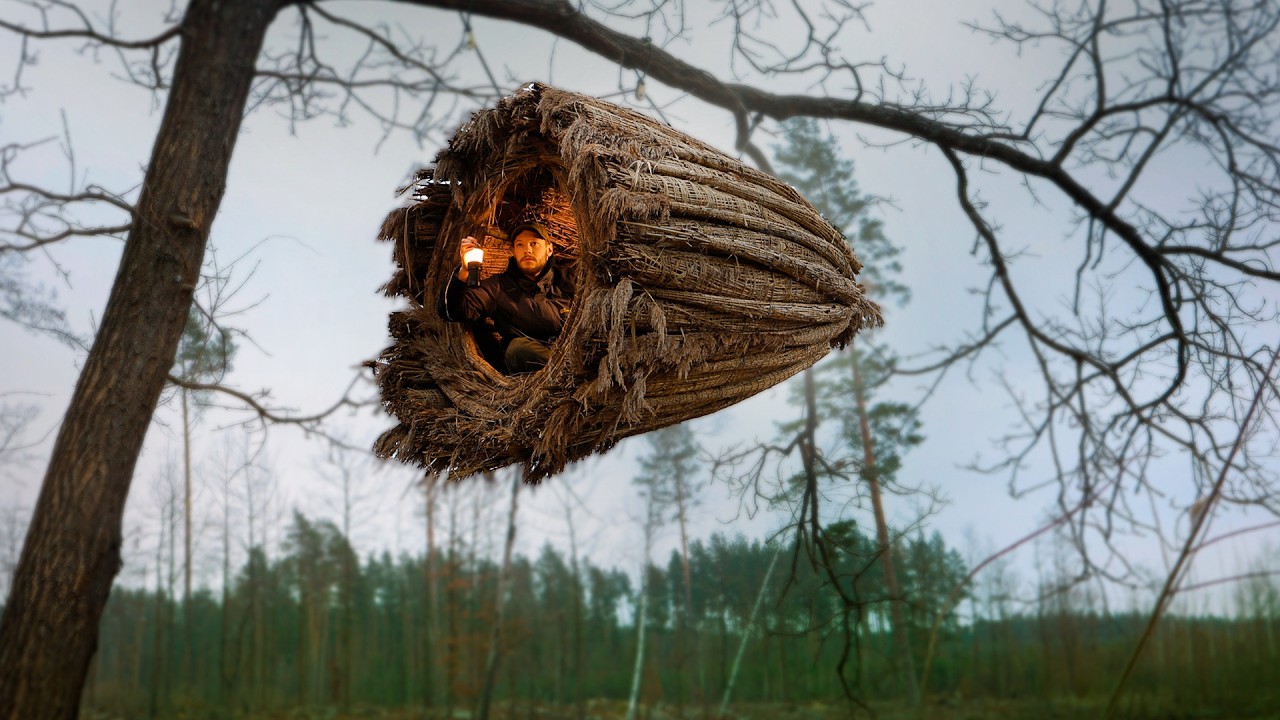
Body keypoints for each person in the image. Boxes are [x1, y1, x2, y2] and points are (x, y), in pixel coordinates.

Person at [437, 223, 574, 373]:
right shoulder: (498, 287)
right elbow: (451, 311)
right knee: (518, 349)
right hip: (532, 365)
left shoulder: (570, 280)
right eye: (520, 245)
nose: (527, 250)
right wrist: (463, 271)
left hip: (571, 352)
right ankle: (568, 371)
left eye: (534, 244)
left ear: (549, 249)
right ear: (513, 251)